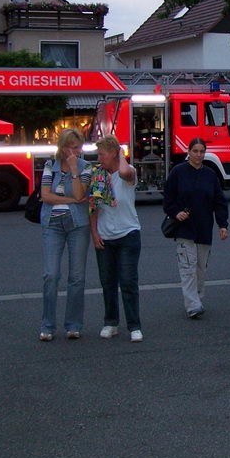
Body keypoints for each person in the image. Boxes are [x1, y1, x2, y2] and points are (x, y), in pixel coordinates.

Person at [163, 137, 229, 319]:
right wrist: (176, 212)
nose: (199, 155)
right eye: (195, 151)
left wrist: (223, 224)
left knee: (201, 268)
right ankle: (192, 304)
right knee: (187, 267)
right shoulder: (178, 172)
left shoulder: (210, 175)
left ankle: (197, 299)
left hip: (204, 227)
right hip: (185, 228)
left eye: (202, 151)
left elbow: (219, 201)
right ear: (188, 152)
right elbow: (168, 199)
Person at [89, 134, 144, 342]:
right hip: (105, 236)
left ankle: (134, 326)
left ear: (113, 153)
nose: (99, 157)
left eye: (102, 153)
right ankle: (110, 322)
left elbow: (123, 171)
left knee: (128, 282)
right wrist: (94, 234)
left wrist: (121, 154)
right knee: (108, 282)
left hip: (128, 234)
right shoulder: (97, 176)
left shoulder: (128, 174)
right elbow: (93, 207)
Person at [39, 129, 92, 341]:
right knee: (51, 275)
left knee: (77, 277)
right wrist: (69, 201)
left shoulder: (85, 167)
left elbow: (81, 194)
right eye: (72, 147)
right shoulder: (49, 166)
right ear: (63, 147)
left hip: (78, 225)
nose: (77, 151)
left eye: (79, 147)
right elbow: (45, 196)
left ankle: (73, 324)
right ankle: (48, 325)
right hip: (52, 224)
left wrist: (73, 170)